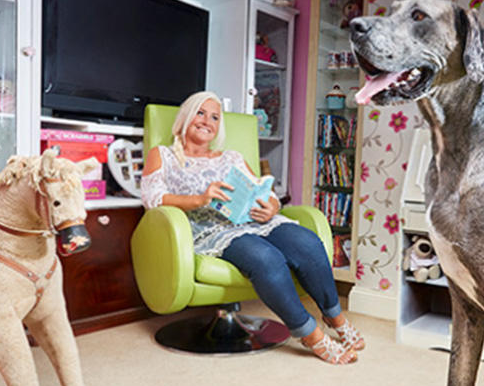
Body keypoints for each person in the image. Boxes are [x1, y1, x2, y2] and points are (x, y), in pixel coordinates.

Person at [141, 91, 364, 364]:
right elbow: (153, 199)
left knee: (308, 242)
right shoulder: (162, 155)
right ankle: (311, 334)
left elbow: (262, 191)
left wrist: (272, 206)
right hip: (214, 231)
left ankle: (335, 318)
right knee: (266, 259)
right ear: (186, 116)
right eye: (201, 113)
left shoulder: (230, 158)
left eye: (214, 117)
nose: (207, 121)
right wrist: (200, 199)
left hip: (257, 220)